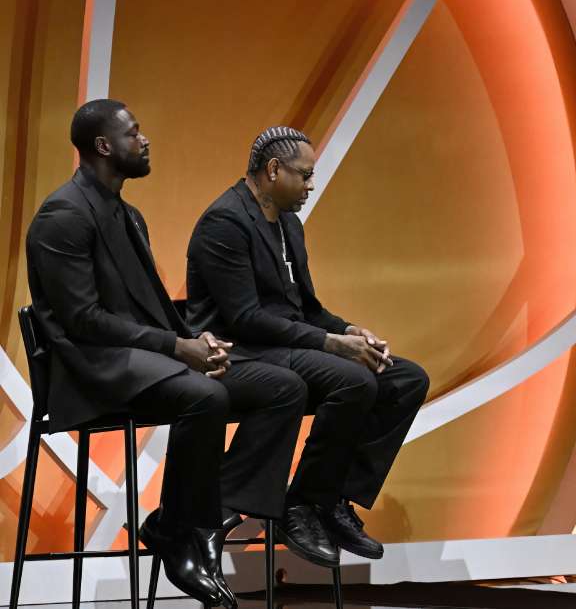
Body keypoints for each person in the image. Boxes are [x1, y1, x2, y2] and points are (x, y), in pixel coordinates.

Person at [25, 100, 308, 607]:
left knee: (281, 386)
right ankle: (185, 535)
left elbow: (149, 309)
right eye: (134, 133)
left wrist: (198, 344)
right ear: (104, 147)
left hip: (137, 357)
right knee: (203, 397)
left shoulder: (128, 214)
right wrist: (178, 347)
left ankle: (190, 518)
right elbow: (83, 320)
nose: (145, 140)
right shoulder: (63, 216)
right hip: (90, 368)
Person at [186, 126, 430, 569]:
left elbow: (306, 309)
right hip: (241, 351)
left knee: (405, 378)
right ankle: (300, 507)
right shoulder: (225, 222)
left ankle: (330, 497)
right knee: (352, 379)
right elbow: (246, 319)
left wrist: (349, 330)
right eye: (304, 175)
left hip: (286, 346)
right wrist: (328, 344)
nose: (310, 185)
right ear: (273, 169)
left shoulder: (290, 226)